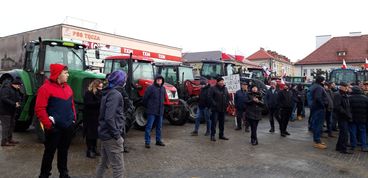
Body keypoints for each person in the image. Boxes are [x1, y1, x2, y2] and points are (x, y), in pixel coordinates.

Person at [35, 64, 76, 178]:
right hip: (54, 128)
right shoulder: (45, 89)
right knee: (49, 152)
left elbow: (72, 105)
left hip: (67, 126)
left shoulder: (68, 88)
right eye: (65, 73)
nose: (68, 75)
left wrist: (73, 119)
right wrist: (49, 125)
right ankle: (44, 174)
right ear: (58, 75)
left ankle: (63, 173)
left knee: (64, 151)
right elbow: (39, 109)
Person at [96, 70, 126, 178]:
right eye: (124, 79)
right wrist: (117, 136)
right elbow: (109, 117)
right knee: (118, 168)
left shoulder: (108, 91)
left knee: (103, 164)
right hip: (111, 137)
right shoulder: (115, 94)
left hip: (105, 134)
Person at [143, 75, 166, 148]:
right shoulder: (150, 88)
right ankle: (147, 142)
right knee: (149, 127)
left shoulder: (163, 88)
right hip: (152, 111)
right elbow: (145, 98)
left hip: (160, 111)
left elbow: (164, 99)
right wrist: (148, 107)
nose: (159, 81)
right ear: (155, 80)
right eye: (158, 80)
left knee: (159, 127)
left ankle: (158, 140)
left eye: (161, 80)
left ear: (162, 81)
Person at [83, 79, 103, 158]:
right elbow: (88, 103)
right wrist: (99, 102)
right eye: (99, 87)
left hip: (96, 116)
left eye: (101, 87)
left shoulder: (100, 93)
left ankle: (94, 148)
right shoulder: (89, 93)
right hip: (90, 116)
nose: (101, 88)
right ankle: (90, 150)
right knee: (90, 134)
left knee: (95, 134)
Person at [0, 78, 22, 146]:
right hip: (4, 111)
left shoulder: (15, 89)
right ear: (14, 84)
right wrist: (14, 104)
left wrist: (19, 102)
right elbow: (4, 98)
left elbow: (17, 97)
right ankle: (4, 141)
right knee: (6, 127)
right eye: (19, 85)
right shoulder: (6, 88)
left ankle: (9, 139)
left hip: (12, 111)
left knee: (11, 125)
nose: (19, 87)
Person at [309, 76, 328, 149]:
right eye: (323, 80)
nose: (324, 81)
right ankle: (317, 141)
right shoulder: (319, 87)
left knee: (316, 124)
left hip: (315, 108)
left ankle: (318, 140)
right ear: (321, 81)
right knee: (318, 125)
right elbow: (318, 98)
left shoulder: (314, 86)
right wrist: (323, 105)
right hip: (319, 108)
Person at [208, 77, 230, 141]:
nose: (222, 82)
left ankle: (221, 135)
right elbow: (210, 98)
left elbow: (227, 97)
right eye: (221, 81)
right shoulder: (213, 88)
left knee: (222, 123)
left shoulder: (225, 88)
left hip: (223, 109)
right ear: (217, 82)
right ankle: (212, 135)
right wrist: (215, 104)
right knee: (214, 123)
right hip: (215, 109)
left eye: (223, 81)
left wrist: (227, 104)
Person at [334, 82, 353, 154]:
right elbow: (338, 107)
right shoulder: (338, 95)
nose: (347, 88)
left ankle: (338, 146)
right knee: (344, 133)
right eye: (346, 87)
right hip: (342, 117)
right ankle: (343, 148)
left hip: (345, 116)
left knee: (343, 133)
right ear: (341, 87)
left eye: (347, 87)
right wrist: (345, 113)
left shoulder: (344, 94)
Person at [348, 86, 368, 152]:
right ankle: (364, 146)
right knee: (363, 132)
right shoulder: (365, 98)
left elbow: (348, 109)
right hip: (362, 118)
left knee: (353, 132)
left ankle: (353, 145)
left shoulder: (349, 98)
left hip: (353, 118)